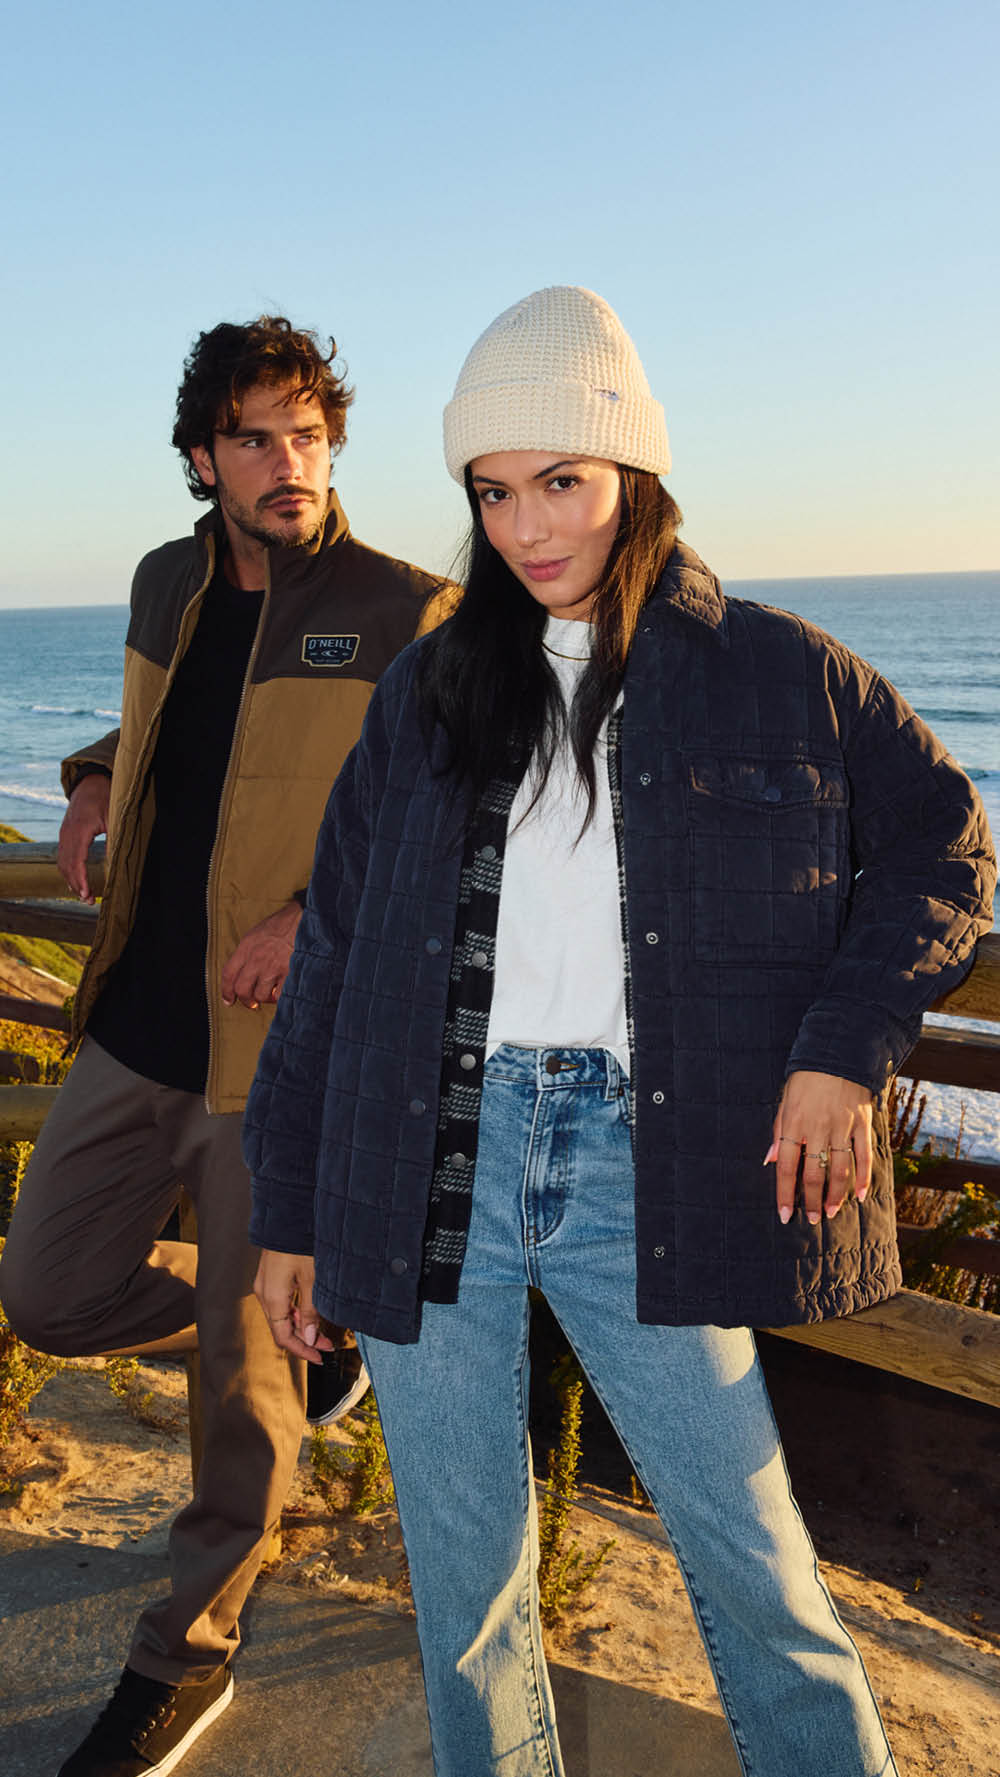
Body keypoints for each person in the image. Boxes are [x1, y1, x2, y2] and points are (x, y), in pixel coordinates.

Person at [246, 286, 995, 1777]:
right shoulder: (429, 686)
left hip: (633, 1167)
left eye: (561, 482)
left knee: (756, 1572)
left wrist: (841, 1050)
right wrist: (289, 1208)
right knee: (463, 1592)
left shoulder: (781, 667)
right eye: (493, 492)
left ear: (633, 468)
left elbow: (948, 847)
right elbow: (336, 944)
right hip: (425, 1158)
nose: (527, 527)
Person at [0, 315, 450, 1777]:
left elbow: (457, 824)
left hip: (281, 1060)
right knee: (45, 1290)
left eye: (310, 434)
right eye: (256, 436)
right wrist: (83, 776)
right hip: (138, 1026)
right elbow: (168, 733)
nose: (290, 462)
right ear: (203, 457)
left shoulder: (405, 611)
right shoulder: (162, 580)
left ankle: (182, 1656)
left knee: (242, 1422)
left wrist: (315, 910)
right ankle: (285, 1329)